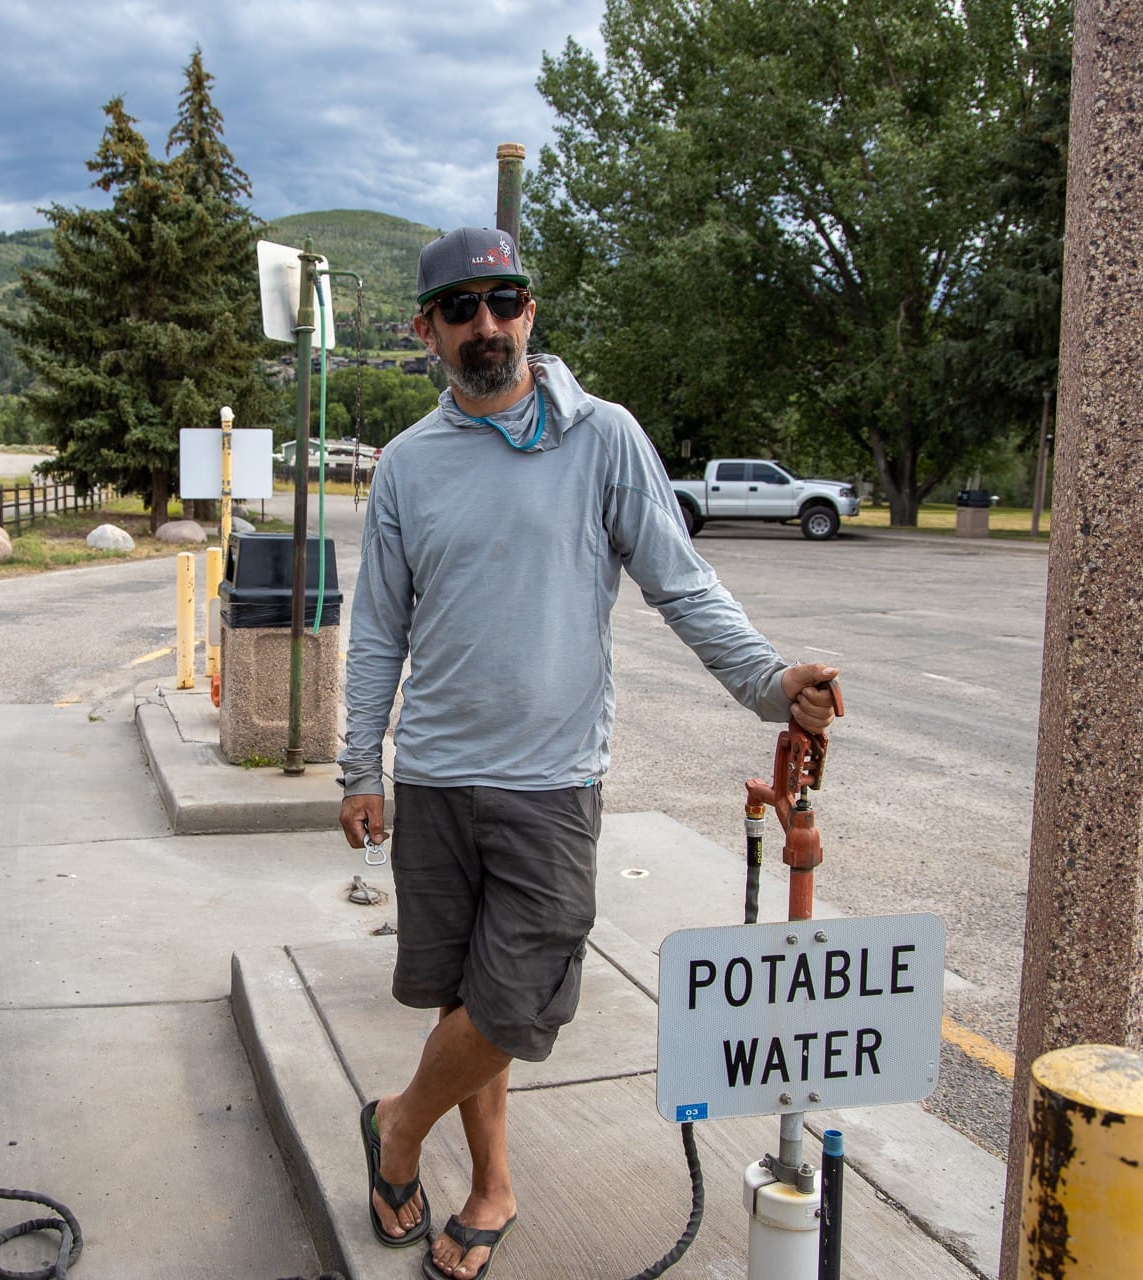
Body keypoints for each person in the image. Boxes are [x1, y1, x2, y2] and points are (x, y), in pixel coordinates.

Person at [339, 226, 841, 1280]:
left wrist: (766, 681)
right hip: (434, 775)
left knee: (521, 993)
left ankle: (395, 1123)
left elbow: (681, 578)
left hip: (552, 779)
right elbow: (378, 627)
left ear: (532, 310)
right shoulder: (410, 467)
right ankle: (490, 1185)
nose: (488, 325)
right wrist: (360, 765)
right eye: (463, 308)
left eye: (505, 301)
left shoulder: (602, 437)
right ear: (426, 329)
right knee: (466, 996)